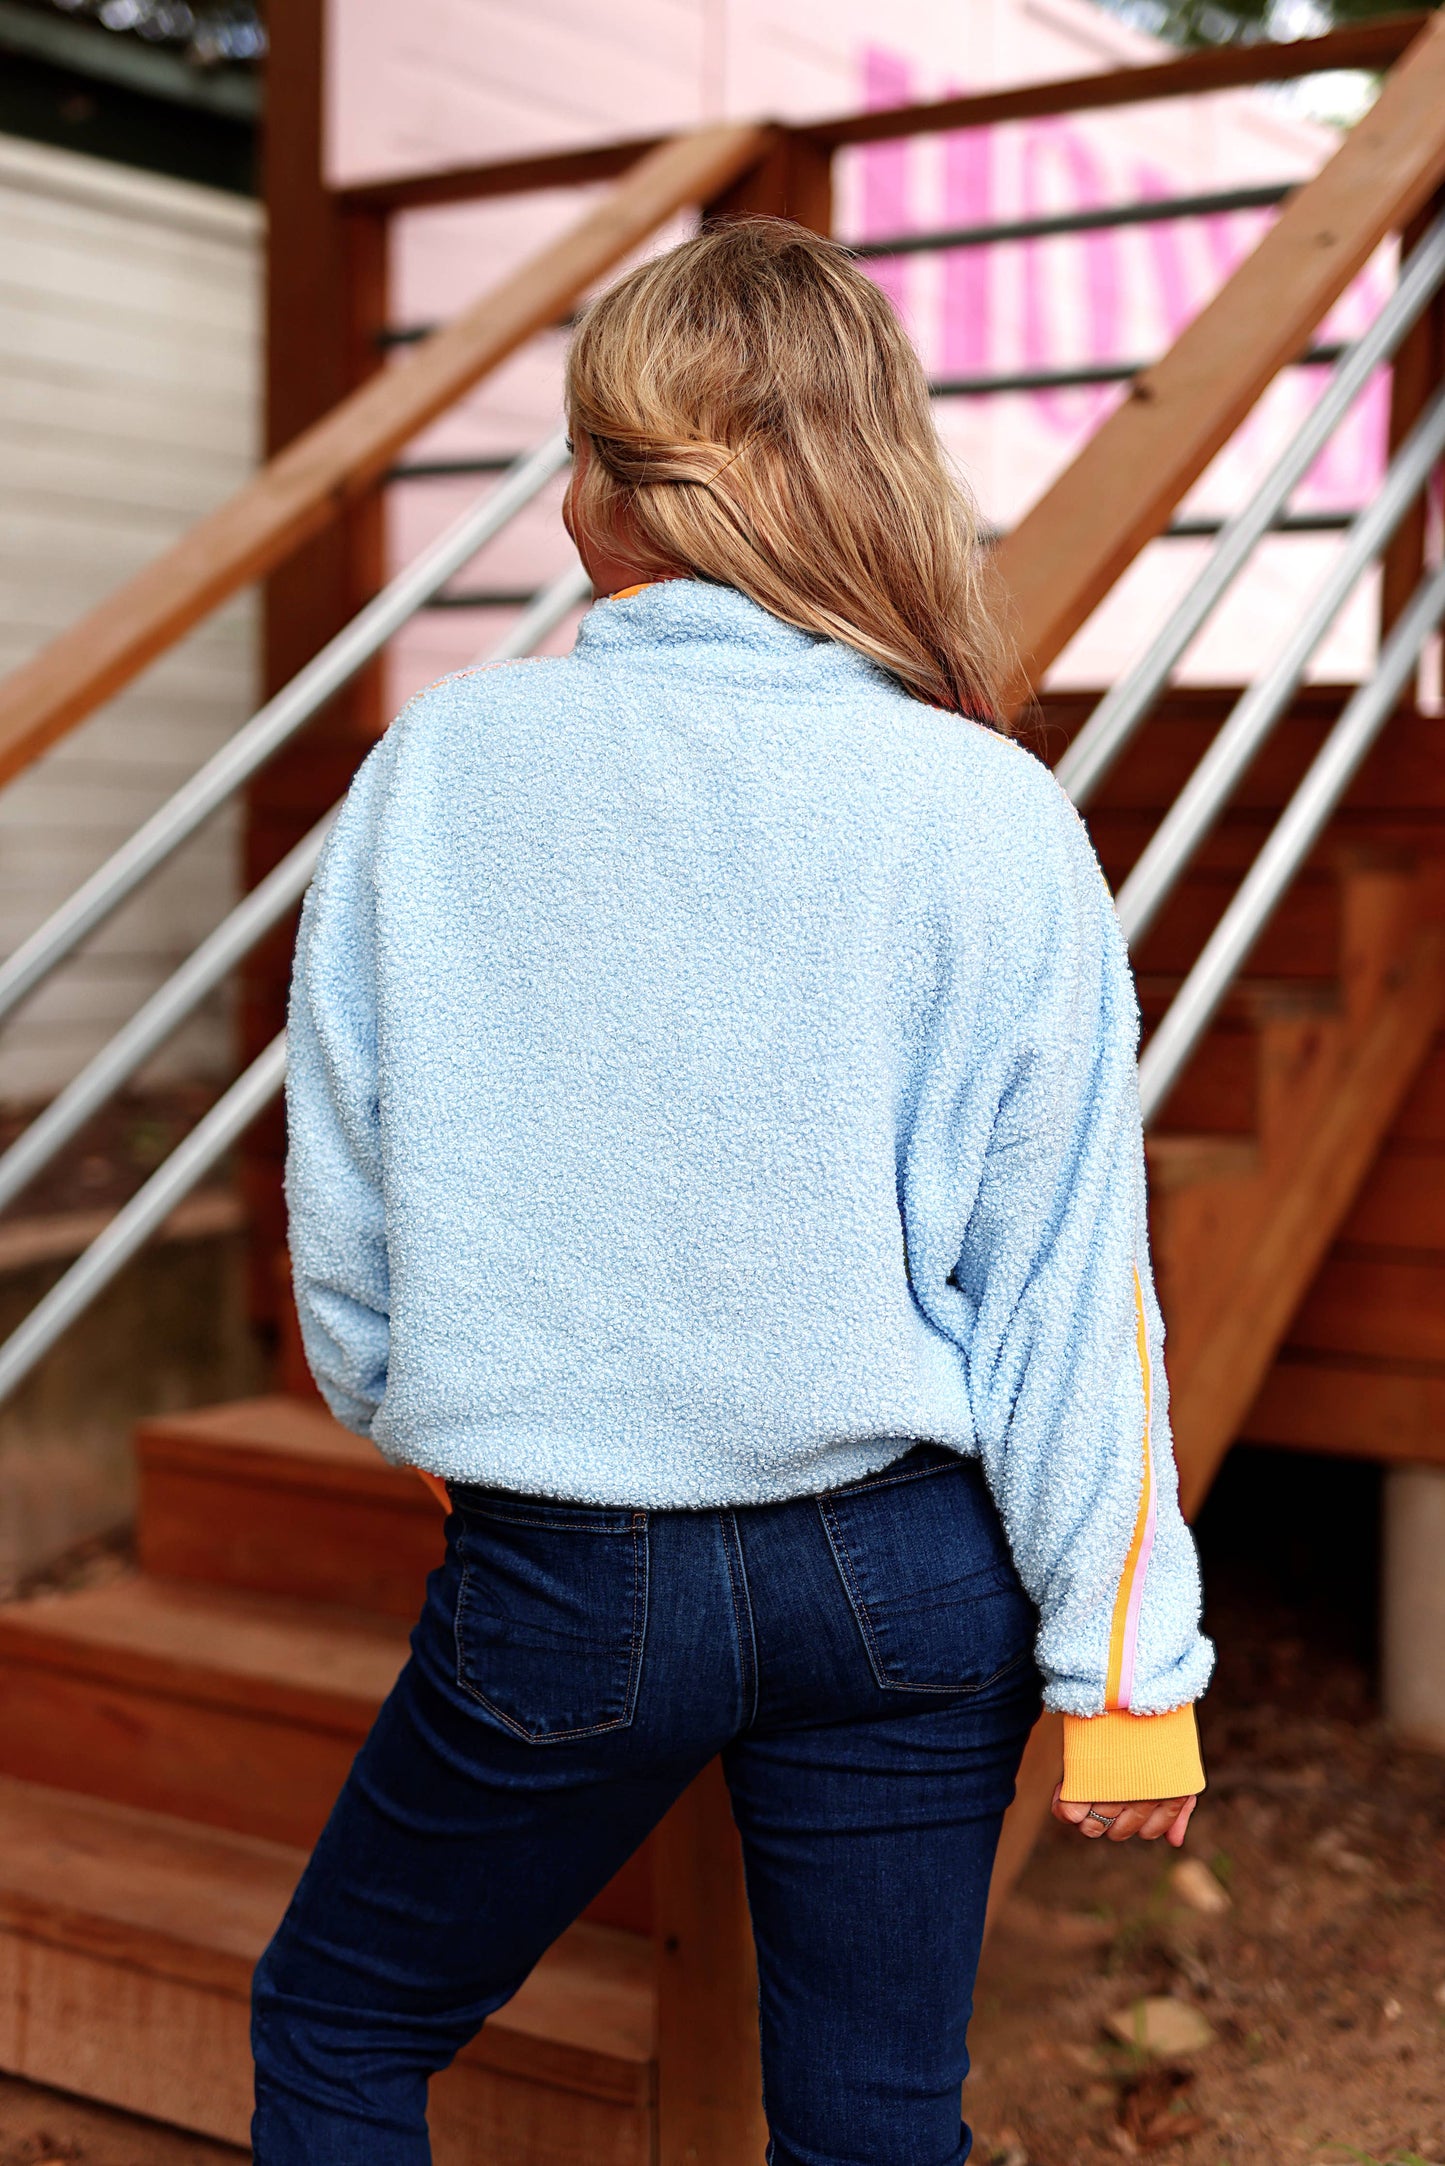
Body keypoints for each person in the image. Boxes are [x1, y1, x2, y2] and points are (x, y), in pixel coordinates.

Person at [253, 217, 1212, 2165]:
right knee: (873, 2120)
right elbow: (1060, 1287)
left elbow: (345, 1214)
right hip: (915, 1573)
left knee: (339, 2028)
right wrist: (1130, 1679)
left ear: (603, 491)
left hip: (564, 1570)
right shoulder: (986, 808)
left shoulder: (438, 770)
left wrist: (430, 1419)